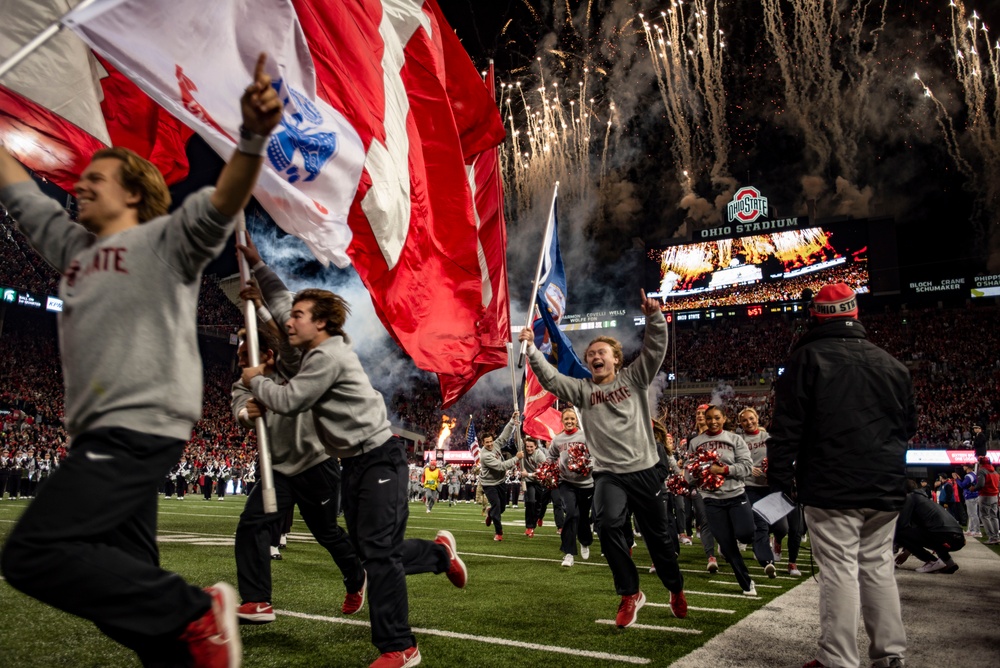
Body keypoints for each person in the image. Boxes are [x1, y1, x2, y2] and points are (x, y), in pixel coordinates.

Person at [0, 53, 285, 668]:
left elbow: (220, 201)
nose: (79, 185)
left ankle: (192, 611)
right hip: (97, 435)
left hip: (136, 426)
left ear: (132, 192)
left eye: (95, 179)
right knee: (120, 588)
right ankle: (178, 649)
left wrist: (254, 136)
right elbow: (21, 195)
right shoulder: (72, 248)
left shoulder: (164, 242)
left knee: (34, 553)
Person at [241, 288, 466, 668]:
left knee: (378, 552)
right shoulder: (312, 353)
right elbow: (280, 320)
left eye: (299, 315)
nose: (290, 321)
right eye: (290, 315)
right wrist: (258, 278)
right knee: (373, 553)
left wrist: (255, 381)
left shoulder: (329, 355)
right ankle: (439, 555)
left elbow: (290, 400)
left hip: (379, 459)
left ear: (321, 322)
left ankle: (400, 645)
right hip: (352, 464)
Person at [519, 290, 687, 627]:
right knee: (607, 526)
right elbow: (552, 379)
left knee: (658, 539)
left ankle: (675, 587)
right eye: (591, 353)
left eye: (603, 353)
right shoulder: (583, 391)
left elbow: (655, 350)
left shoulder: (634, 379)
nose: (596, 356)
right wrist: (532, 350)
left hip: (644, 471)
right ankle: (630, 593)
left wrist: (655, 318)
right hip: (609, 475)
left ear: (616, 360)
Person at [768, 282, 915, 668]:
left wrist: (781, 481)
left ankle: (838, 658)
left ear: (815, 317)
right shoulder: (893, 365)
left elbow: (787, 429)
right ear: (855, 314)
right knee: (878, 566)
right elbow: (908, 426)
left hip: (832, 484)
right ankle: (890, 654)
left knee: (839, 569)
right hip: (885, 484)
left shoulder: (806, 358)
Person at [231, 321, 366, 624]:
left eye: (244, 355)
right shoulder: (244, 382)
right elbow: (240, 409)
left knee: (327, 533)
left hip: (316, 463)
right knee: (252, 524)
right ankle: (257, 601)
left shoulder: (295, 366)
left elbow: (287, 330)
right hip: (277, 470)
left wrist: (264, 308)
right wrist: (246, 414)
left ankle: (356, 577)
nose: (239, 362)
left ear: (266, 354)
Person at [689, 406, 759, 595]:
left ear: (724, 418)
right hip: (711, 499)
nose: (712, 421)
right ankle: (746, 582)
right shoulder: (696, 442)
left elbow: (746, 467)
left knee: (746, 534)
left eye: (717, 418)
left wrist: (724, 470)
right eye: (709, 418)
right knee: (727, 547)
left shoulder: (735, 439)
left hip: (736, 496)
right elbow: (690, 470)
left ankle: (741, 538)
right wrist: (687, 477)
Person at [548, 407, 595, 567]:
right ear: (562, 421)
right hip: (566, 482)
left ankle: (585, 541)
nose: (569, 421)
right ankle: (568, 553)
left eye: (572, 419)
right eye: (566, 419)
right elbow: (551, 456)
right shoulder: (557, 439)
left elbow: (596, 454)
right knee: (571, 514)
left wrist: (588, 464)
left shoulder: (585, 436)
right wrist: (549, 469)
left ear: (576, 420)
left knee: (582, 516)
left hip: (586, 483)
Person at [894, 480, 965, 574]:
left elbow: (902, 526)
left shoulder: (910, 497)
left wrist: (904, 550)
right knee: (931, 532)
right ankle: (948, 563)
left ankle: (932, 561)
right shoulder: (924, 500)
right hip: (957, 538)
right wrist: (907, 552)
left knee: (899, 533)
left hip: (944, 535)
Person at [479, 413, 523, 541]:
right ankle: (498, 532)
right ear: (483, 443)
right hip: (489, 484)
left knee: (503, 506)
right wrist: (517, 458)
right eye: (487, 442)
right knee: (497, 506)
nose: (490, 444)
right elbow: (501, 466)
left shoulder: (495, 444)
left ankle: (490, 513)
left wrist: (512, 420)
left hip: (501, 481)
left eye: (491, 441)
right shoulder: (485, 455)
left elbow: (504, 436)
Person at [521, 437, 547, 536]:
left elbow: (542, 473)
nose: (529, 449)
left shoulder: (540, 456)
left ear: (536, 446)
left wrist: (528, 474)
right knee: (530, 502)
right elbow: (517, 440)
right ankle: (529, 526)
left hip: (539, 481)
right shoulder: (522, 450)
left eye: (531, 447)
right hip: (528, 482)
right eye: (527, 446)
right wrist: (516, 424)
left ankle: (534, 523)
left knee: (538, 505)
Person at [977, 457, 1000, 544]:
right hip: (995, 495)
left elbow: (980, 485)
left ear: (981, 463)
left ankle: (992, 537)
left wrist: (973, 489)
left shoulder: (982, 471)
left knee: (984, 516)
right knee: (994, 516)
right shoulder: (995, 471)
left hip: (986, 495)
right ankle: (996, 536)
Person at [957, 464, 981, 538]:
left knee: (973, 514)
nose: (963, 467)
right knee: (971, 514)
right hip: (974, 495)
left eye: (964, 466)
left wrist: (957, 479)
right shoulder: (974, 474)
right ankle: (970, 530)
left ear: (967, 467)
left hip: (970, 496)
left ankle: (977, 531)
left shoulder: (969, 476)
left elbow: (962, 486)